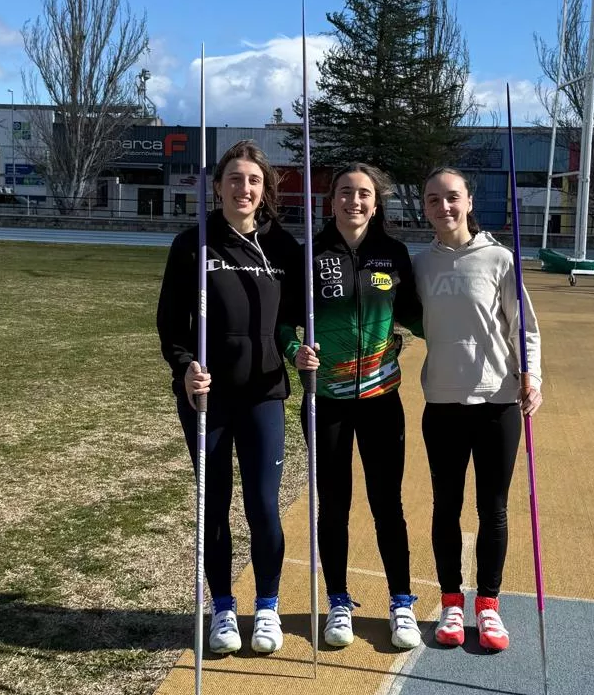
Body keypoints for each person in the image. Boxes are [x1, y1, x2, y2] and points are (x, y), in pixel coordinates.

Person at [157, 140, 303, 657]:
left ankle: (266, 606)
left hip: (264, 394)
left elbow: (300, 321)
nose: (244, 189)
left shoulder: (285, 249)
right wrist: (185, 370)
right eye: (235, 179)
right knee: (213, 504)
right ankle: (222, 606)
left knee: (263, 504)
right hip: (208, 398)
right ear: (217, 187)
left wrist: (302, 350)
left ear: (265, 191)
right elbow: (171, 326)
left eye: (254, 181)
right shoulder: (191, 245)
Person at [288, 164, 423, 652]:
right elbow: (284, 323)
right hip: (327, 403)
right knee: (335, 504)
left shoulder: (394, 255)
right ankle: (339, 600)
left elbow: (418, 316)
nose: (354, 201)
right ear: (332, 201)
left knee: (388, 504)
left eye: (364, 194)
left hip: (383, 402)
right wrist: (294, 353)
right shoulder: (312, 255)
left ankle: (401, 601)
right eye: (345, 193)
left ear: (377, 201)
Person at [413, 167, 542, 651]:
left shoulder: (501, 259)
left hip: (497, 403)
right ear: (423, 208)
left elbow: (523, 326)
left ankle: (488, 606)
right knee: (446, 507)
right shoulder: (419, 264)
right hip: (442, 405)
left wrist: (535, 377)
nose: (443, 208)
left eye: (451, 198)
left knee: (494, 509)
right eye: (432, 200)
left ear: (468, 201)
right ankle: (450, 601)